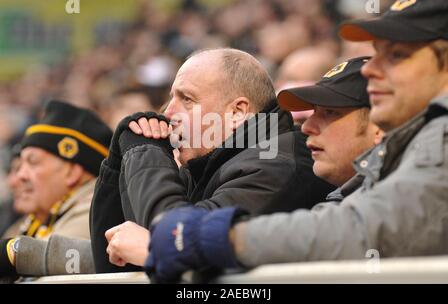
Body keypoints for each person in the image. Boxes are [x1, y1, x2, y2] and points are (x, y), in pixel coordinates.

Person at [139, 0, 448, 283]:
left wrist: (216, 235)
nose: (370, 69)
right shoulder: (412, 142)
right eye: (377, 54)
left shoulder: (439, 134)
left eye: (396, 55)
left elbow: (366, 229)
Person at [104, 56, 383, 279]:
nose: (167, 113)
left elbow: (177, 240)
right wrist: (118, 161)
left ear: (237, 112)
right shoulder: (203, 167)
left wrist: (145, 151)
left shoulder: (277, 164)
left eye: (186, 99)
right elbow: (113, 257)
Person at [0, 100, 112, 277]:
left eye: (33, 162)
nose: (18, 177)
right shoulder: (34, 221)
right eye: (19, 165)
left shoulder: (94, 214)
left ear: (72, 172)